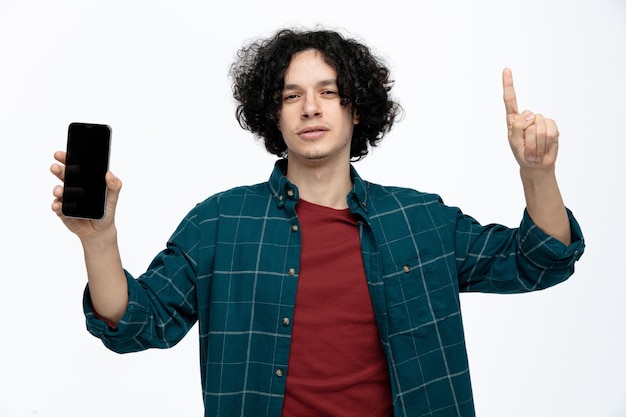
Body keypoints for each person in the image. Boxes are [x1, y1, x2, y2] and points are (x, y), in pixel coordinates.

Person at [50, 28, 585, 417]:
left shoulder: (419, 220)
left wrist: (537, 173)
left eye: (329, 92)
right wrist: (101, 240)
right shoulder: (220, 222)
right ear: (272, 115)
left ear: (357, 110)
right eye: (291, 96)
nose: (310, 108)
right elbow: (137, 324)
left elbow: (539, 261)